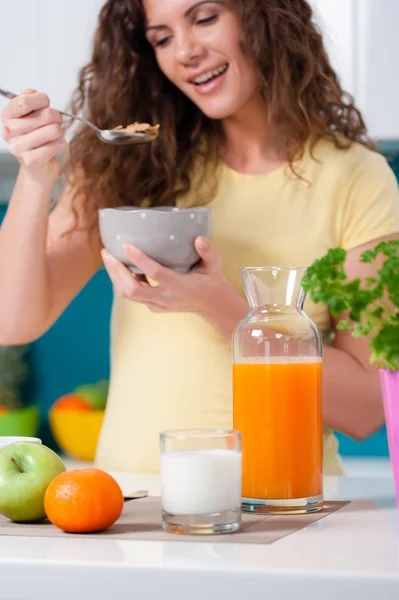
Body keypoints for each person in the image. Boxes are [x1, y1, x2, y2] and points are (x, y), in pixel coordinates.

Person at [0, 0, 398, 475]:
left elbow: (365, 410)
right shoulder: (131, 164)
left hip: (284, 509)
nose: (185, 51)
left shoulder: (358, 179)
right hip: (131, 511)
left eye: (205, 18)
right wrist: (35, 175)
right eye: (162, 38)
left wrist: (222, 308)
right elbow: (10, 321)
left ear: (265, 16)